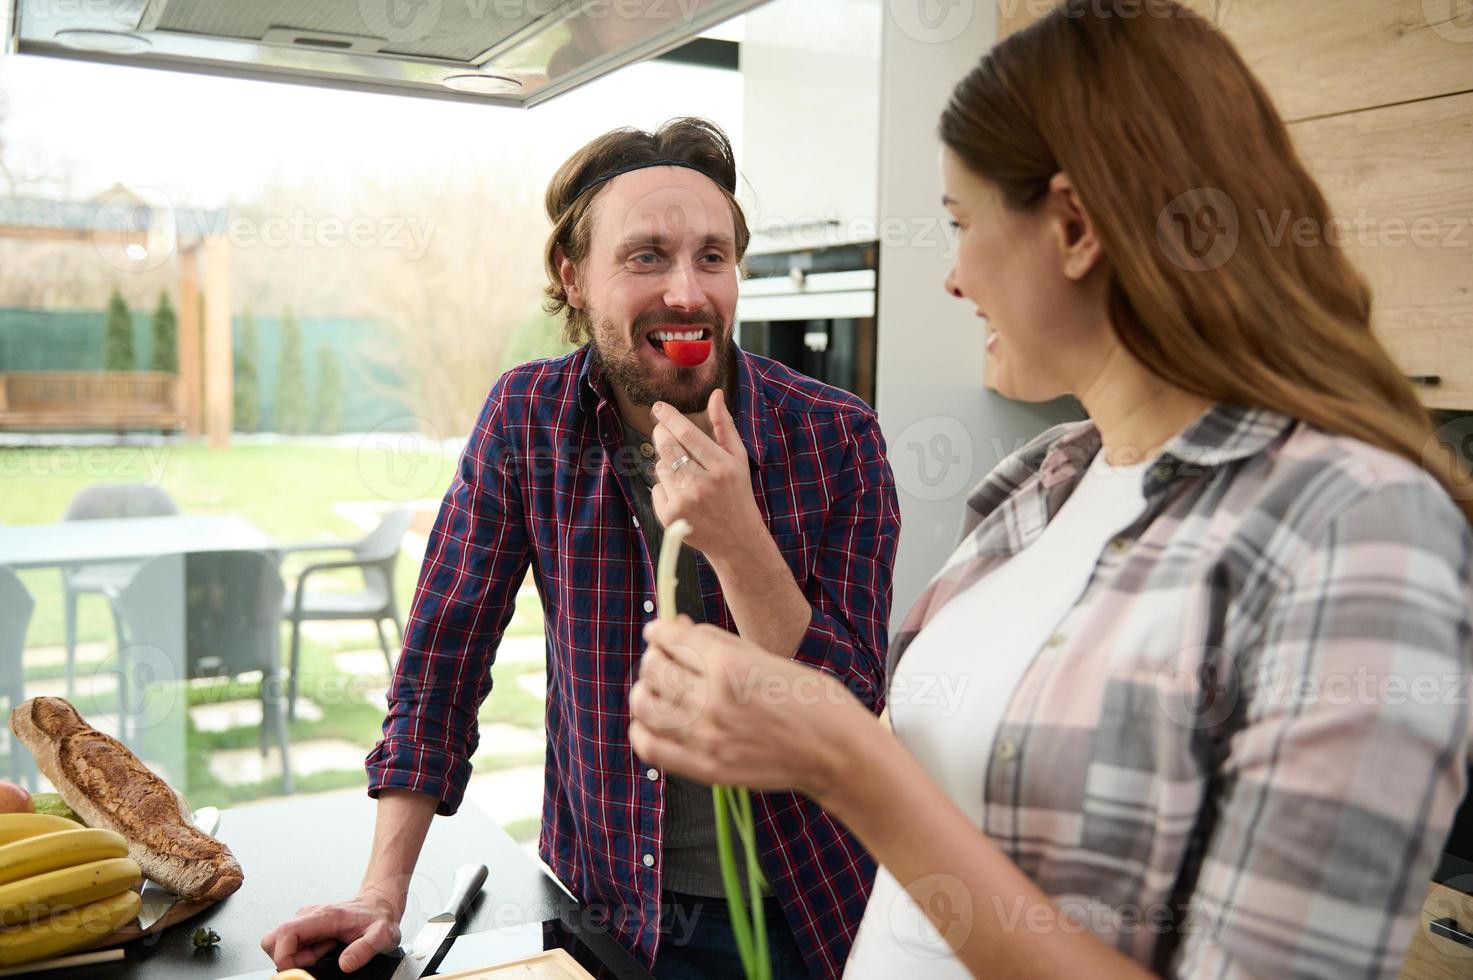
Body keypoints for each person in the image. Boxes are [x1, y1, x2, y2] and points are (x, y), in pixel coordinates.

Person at [629, 5, 1473, 978]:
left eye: (961, 223)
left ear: (1072, 225)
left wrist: (841, 760)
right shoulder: (1042, 482)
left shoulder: (1357, 527)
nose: (950, 276)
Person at [260, 118, 901, 979]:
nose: (687, 291)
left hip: (805, 915)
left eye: (712, 256)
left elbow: (848, 709)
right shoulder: (527, 420)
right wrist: (383, 890)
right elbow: (440, 666)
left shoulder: (836, 436)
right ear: (573, 275)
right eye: (646, 257)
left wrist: (737, 539)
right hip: (602, 912)